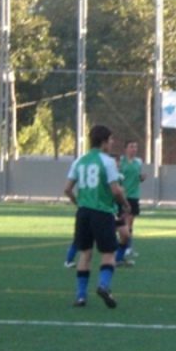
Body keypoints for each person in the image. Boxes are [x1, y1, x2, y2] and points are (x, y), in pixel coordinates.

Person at [63, 124, 130, 308]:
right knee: (109, 253)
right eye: (110, 140)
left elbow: (67, 189)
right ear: (103, 141)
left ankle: (81, 296)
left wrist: (80, 204)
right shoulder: (107, 161)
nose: (112, 143)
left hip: (83, 213)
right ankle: (103, 285)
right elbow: (115, 190)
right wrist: (125, 204)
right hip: (102, 212)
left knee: (85, 254)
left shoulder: (79, 161)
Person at [118, 139, 145, 261]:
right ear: (126, 149)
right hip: (123, 196)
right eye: (131, 146)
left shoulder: (138, 162)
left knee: (129, 223)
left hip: (134, 196)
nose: (134, 149)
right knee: (124, 224)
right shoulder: (120, 162)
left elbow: (138, 178)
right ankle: (124, 249)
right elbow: (117, 177)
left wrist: (141, 178)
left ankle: (127, 248)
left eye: (135, 147)